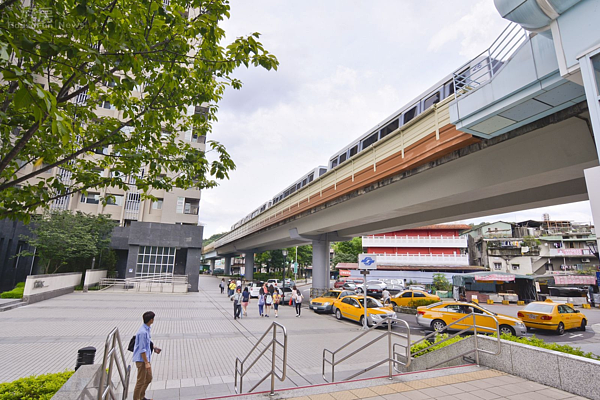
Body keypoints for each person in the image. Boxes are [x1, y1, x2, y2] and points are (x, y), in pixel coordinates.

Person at [133, 311, 161, 400]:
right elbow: (142, 349)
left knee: (148, 378)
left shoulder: (147, 329)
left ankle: (141, 396)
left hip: (146, 359)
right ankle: (137, 398)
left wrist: (154, 347)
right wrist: (146, 362)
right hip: (142, 360)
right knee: (140, 381)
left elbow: (147, 343)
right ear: (151, 320)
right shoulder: (142, 332)